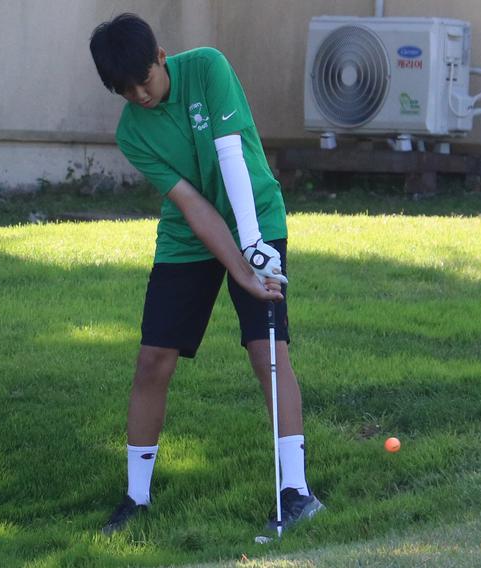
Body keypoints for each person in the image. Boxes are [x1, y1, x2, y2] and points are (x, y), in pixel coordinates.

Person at [89, 13, 323, 536]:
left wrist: (253, 248)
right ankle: (136, 498)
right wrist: (236, 271)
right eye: (126, 92)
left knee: (268, 352)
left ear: (160, 57)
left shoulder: (208, 69)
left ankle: (297, 493)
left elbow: (230, 155)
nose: (140, 97)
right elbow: (192, 206)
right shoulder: (132, 133)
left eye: (143, 82)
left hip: (255, 217)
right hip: (186, 237)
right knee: (153, 360)